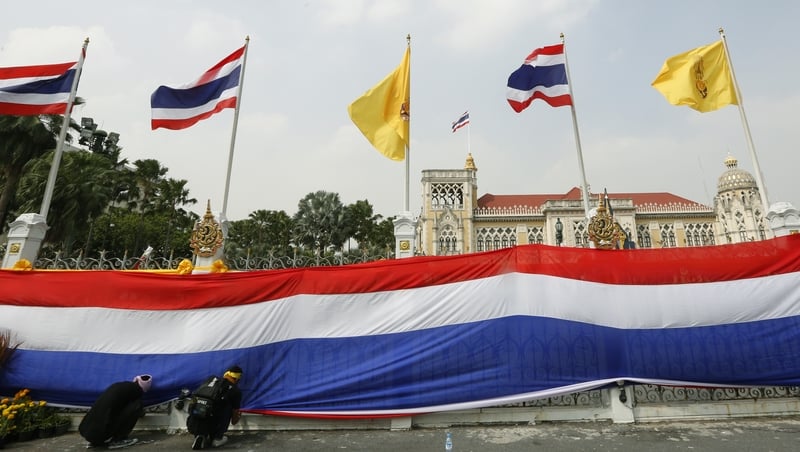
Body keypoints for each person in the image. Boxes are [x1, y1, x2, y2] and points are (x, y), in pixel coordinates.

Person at [79, 374, 152, 449]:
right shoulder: (137, 390)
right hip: (100, 434)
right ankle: (118, 440)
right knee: (137, 405)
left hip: (86, 431)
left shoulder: (120, 386)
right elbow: (137, 411)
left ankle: (95, 442)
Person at [188, 365, 243, 450]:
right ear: (237, 378)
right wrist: (238, 416)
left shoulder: (211, 379)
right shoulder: (235, 390)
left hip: (194, 423)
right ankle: (217, 438)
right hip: (215, 423)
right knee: (228, 407)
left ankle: (200, 435)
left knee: (204, 407)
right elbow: (234, 420)